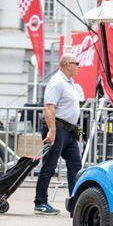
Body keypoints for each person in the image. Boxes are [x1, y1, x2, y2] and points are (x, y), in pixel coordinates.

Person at [35, 53, 83, 215]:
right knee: (49, 166)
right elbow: (49, 107)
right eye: (77, 63)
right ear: (68, 65)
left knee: (75, 166)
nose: (78, 67)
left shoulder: (69, 82)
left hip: (68, 131)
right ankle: (40, 202)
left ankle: (76, 202)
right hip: (57, 129)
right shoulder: (57, 82)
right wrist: (52, 130)